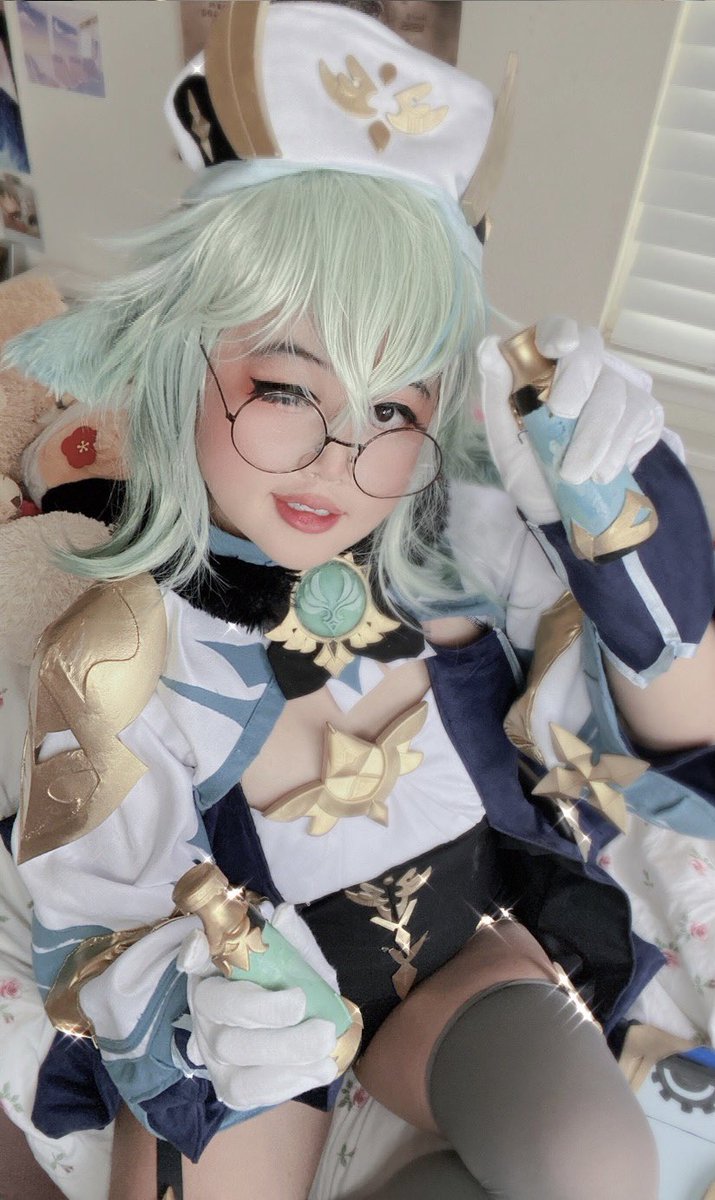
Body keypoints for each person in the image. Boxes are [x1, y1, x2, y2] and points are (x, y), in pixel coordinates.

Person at [5, 2, 715, 1198]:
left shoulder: (471, 546)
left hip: (464, 951)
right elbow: (102, 927)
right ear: (181, 361)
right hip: (258, 1011)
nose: (338, 458)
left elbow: (679, 749)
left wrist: (631, 522)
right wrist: (199, 1015)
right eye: (286, 388)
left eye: (391, 407)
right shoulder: (119, 650)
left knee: (592, 1167)